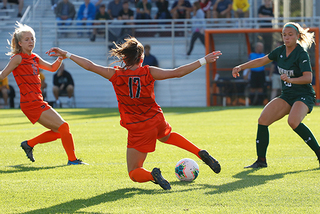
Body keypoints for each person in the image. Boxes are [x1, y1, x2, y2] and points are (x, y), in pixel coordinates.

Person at [47, 37, 222, 190]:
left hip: (138, 127)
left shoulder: (115, 74)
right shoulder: (148, 71)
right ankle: (199, 152)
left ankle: (153, 176)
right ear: (141, 58)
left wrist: (66, 54)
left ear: (124, 57)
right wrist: (204, 60)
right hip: (156, 118)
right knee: (166, 136)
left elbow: (89, 66)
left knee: (133, 171)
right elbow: (177, 73)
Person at [232, 22, 320, 168]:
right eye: (284, 35)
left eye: (290, 35)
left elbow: (308, 78)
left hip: (303, 95)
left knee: (293, 122)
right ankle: (261, 161)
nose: (286, 38)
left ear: (297, 36)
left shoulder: (301, 53)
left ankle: (318, 152)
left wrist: (290, 79)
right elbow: (262, 60)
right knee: (263, 120)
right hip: (287, 95)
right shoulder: (279, 51)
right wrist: (241, 66)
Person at [0, 22, 85, 165]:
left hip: (38, 101)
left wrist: (60, 58)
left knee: (60, 132)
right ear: (19, 43)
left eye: (32, 38)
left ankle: (29, 144)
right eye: (26, 39)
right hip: (30, 103)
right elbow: (2, 75)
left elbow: (52, 68)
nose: (30, 41)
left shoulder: (34, 57)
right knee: (64, 127)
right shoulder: (18, 58)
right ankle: (72, 160)